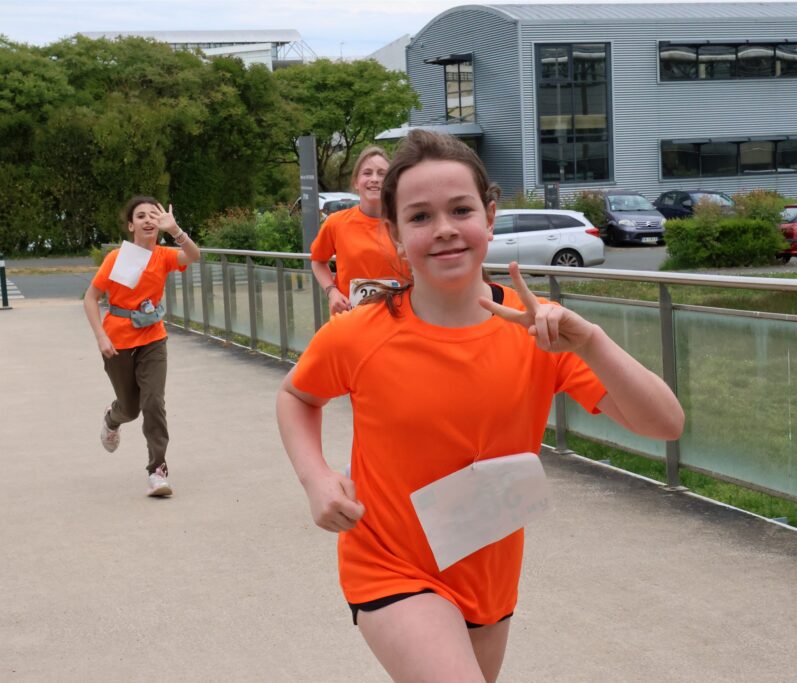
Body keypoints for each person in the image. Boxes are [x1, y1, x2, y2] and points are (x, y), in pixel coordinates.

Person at [276, 130, 684, 682]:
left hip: (487, 566)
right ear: (395, 234)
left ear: (489, 217)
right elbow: (297, 395)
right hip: (389, 563)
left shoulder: (540, 332)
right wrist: (316, 478)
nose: (444, 228)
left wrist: (591, 341)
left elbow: (665, 423)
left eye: (461, 209)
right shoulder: (357, 334)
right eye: (420, 217)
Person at [83, 196, 201, 497]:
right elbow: (91, 298)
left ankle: (157, 470)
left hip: (153, 339)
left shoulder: (164, 255)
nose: (148, 220)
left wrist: (176, 231)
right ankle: (112, 417)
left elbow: (194, 255)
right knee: (131, 408)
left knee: (153, 402)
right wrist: (100, 336)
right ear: (130, 226)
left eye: (153, 215)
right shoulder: (116, 258)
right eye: (141, 216)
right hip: (117, 341)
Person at [310, 146, 409, 315]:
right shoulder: (336, 222)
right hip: (349, 317)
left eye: (382, 173)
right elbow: (317, 261)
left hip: (398, 317)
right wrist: (332, 292)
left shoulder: (406, 223)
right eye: (367, 173)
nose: (375, 179)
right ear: (356, 182)